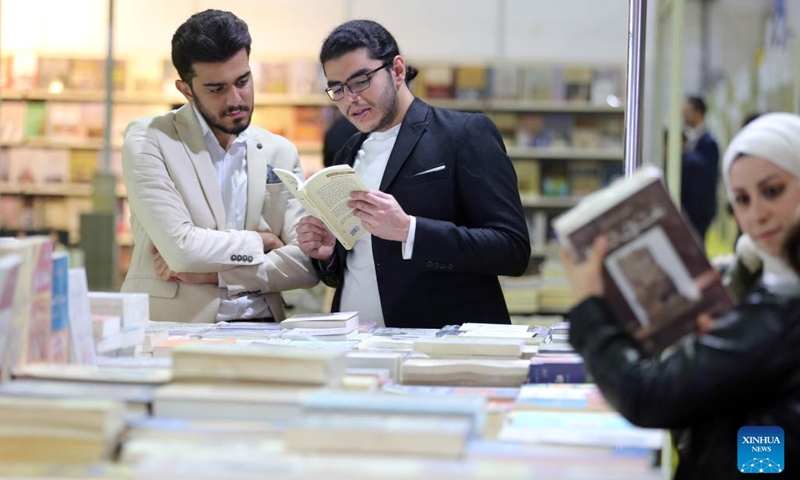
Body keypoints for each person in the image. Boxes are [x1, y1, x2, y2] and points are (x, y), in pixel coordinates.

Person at [560, 112, 800, 479]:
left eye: (773, 191)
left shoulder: (782, 309)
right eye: (742, 200)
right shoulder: (774, 287)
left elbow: (646, 395)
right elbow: (765, 439)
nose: (757, 215)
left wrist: (590, 306)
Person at [296, 20, 530, 329]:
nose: (350, 98)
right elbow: (355, 265)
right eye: (337, 88)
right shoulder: (348, 152)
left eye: (360, 80)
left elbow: (512, 250)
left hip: (439, 346)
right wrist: (327, 254)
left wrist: (410, 231)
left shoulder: (463, 134)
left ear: (397, 70)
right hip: (355, 343)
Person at [121, 9, 317, 323]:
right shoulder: (150, 140)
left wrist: (216, 275)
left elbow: (307, 263)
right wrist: (262, 243)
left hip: (264, 328)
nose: (236, 99)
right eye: (217, 89)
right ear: (186, 89)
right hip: (171, 328)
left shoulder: (279, 151)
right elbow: (182, 250)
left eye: (243, 81)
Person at [680, 96, 720, 242]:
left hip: (699, 211)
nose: (683, 115)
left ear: (698, 112)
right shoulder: (692, 139)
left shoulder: (708, 142)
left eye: (687, 111)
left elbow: (707, 179)